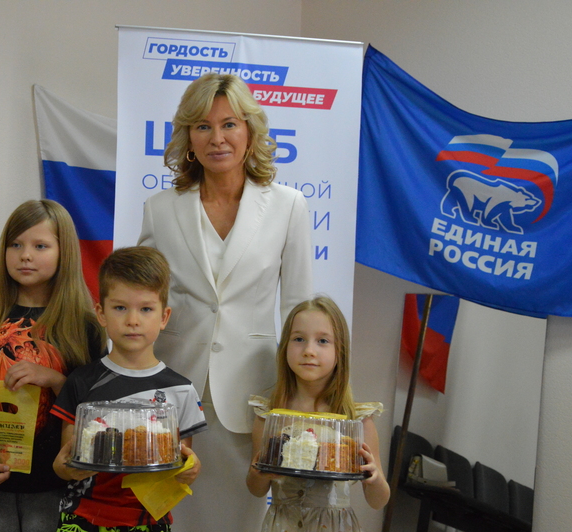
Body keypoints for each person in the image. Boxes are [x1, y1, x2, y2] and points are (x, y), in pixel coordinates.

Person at [137, 72, 313, 530]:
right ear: (189, 139)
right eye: (203, 126)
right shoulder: (160, 208)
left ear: (250, 132)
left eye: (229, 124)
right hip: (172, 393)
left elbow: (298, 310)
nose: (217, 138)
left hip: (252, 397)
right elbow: (142, 302)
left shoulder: (288, 206)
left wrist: (298, 396)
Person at [0, 199, 105, 532]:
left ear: (64, 253)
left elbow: (94, 412)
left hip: (56, 487)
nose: (25, 255)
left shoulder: (83, 327)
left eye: (40, 246)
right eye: (15, 245)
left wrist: (55, 379)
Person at [51, 246, 207, 532]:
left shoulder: (182, 390)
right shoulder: (81, 381)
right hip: (83, 517)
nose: (133, 320)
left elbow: (179, 464)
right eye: (120, 308)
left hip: (149, 520)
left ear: (164, 316)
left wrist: (191, 469)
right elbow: (65, 464)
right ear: (101, 313)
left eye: (146, 309)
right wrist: (65, 467)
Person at [246, 296, 390, 532]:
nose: (309, 351)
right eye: (299, 339)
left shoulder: (357, 420)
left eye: (323, 341)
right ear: (285, 347)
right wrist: (259, 473)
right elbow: (256, 489)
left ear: (340, 351)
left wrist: (374, 477)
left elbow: (378, 501)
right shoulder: (269, 415)